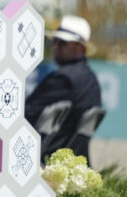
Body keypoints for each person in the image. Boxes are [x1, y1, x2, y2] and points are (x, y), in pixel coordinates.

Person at [25, 14, 104, 165]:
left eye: (62, 43)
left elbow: (27, 113)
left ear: (80, 48)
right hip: (72, 157)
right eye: (54, 41)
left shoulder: (63, 78)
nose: (55, 47)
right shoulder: (90, 78)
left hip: (48, 156)